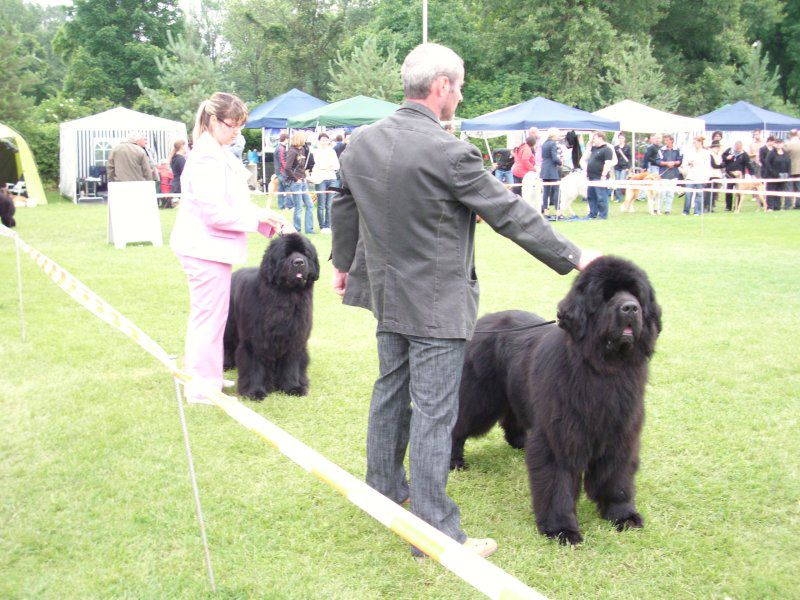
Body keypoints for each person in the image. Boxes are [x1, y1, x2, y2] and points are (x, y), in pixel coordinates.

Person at [331, 43, 600, 559]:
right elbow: (509, 212)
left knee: (390, 392)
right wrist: (575, 255)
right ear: (441, 87)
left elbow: (345, 202)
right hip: (435, 304)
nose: (460, 94)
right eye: (459, 85)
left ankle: (384, 490)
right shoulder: (450, 152)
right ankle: (434, 532)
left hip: (388, 296)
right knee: (433, 411)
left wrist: (344, 264)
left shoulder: (360, 142)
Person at [169, 92, 292, 405]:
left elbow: (233, 203)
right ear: (213, 121)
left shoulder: (218, 152)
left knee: (215, 316)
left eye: (240, 124)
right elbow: (216, 213)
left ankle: (207, 376)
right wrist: (259, 219)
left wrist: (265, 221)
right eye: (232, 124)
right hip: (203, 248)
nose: (237, 130)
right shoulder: (207, 156)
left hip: (212, 249)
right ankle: (200, 386)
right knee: (208, 317)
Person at [284, 131, 315, 234]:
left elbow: (302, 166)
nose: (305, 140)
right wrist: (295, 179)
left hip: (303, 181)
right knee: (298, 207)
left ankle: (309, 229)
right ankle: (297, 230)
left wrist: (305, 176)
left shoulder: (302, 149)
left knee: (310, 205)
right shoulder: (292, 151)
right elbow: (287, 168)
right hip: (295, 183)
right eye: (304, 138)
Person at [309, 132, 340, 233]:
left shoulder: (332, 151)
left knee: (330, 204)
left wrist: (328, 166)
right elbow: (319, 164)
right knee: (321, 204)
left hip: (331, 178)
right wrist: (327, 166)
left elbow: (336, 166)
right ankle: (322, 226)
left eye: (326, 140)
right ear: (319, 141)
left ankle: (328, 225)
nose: (324, 142)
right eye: (322, 140)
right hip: (320, 178)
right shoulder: (316, 152)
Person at [581, 131, 614, 219]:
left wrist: (603, 175)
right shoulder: (595, 149)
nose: (593, 140)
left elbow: (607, 164)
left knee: (601, 197)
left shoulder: (607, 150)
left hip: (599, 177)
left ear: (601, 138)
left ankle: (603, 215)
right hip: (591, 177)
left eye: (595, 138)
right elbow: (588, 148)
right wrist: (591, 141)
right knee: (591, 196)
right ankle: (592, 213)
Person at [681, 136, 711, 215]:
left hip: (701, 176)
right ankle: (686, 211)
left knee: (699, 194)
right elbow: (684, 163)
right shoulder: (689, 152)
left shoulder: (706, 153)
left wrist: (706, 178)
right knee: (688, 194)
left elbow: (707, 166)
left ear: (700, 142)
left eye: (695, 142)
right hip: (690, 176)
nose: (694, 144)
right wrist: (688, 164)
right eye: (693, 143)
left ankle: (697, 211)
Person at [721, 141, 754, 211]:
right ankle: (728, 207)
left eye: (739, 149)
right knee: (729, 190)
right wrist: (727, 158)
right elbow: (723, 157)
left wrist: (752, 174)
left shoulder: (744, 154)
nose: (737, 150)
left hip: (740, 177)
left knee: (739, 192)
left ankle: (737, 207)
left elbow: (748, 165)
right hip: (730, 175)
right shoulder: (729, 150)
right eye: (736, 148)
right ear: (735, 146)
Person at [656, 134, 682, 214]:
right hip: (664, 174)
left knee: (670, 193)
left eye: (667, 140)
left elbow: (680, 160)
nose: (666, 142)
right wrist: (667, 163)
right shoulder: (661, 150)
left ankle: (667, 209)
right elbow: (658, 161)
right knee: (662, 193)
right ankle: (658, 208)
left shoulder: (677, 150)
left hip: (674, 174)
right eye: (665, 140)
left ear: (672, 141)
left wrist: (674, 163)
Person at [762, 138, 791, 211]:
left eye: (780, 143)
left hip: (783, 176)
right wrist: (773, 173)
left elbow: (788, 163)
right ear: (775, 144)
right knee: (771, 191)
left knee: (779, 191)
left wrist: (788, 173)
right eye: (777, 143)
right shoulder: (771, 153)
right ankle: (770, 207)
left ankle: (777, 206)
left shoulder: (785, 153)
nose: (779, 144)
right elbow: (767, 163)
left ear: (783, 144)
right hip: (772, 176)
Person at [539, 127, 562, 218]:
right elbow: (555, 157)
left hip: (544, 168)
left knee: (546, 191)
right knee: (556, 190)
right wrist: (560, 162)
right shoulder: (553, 144)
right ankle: (558, 211)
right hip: (552, 169)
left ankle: (546, 211)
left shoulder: (544, 143)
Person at [273, 132, 292, 209]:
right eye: (288, 139)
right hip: (282, 172)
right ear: (286, 139)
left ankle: (281, 206)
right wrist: (287, 170)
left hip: (278, 171)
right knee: (288, 188)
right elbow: (282, 161)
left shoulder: (278, 147)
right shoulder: (281, 148)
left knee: (281, 189)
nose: (288, 141)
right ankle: (290, 206)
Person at [613, 134, 631, 202]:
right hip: (617, 167)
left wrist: (628, 167)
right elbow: (614, 157)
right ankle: (618, 198)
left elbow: (629, 157)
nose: (621, 139)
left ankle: (623, 196)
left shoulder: (627, 147)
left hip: (624, 167)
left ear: (624, 139)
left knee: (621, 181)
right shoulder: (616, 148)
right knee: (617, 182)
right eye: (620, 138)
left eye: (622, 138)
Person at [784, 129, 800, 209]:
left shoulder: (787, 144)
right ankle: (798, 205)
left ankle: (788, 205)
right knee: (799, 188)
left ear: (790, 135)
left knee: (788, 188)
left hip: (790, 169)